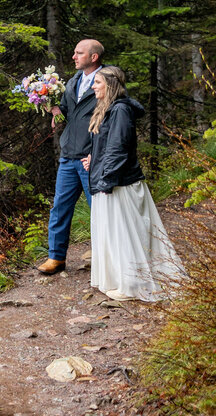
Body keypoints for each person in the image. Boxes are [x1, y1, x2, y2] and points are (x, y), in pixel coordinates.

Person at [82, 66, 182, 301]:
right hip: (109, 179)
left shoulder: (120, 110)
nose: (93, 86)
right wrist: (93, 159)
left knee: (126, 233)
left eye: (97, 82)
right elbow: (107, 146)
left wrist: (106, 179)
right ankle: (119, 279)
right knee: (114, 233)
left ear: (111, 84)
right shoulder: (108, 109)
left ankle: (133, 285)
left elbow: (119, 149)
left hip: (120, 183)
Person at [38, 39, 104, 275]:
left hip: (90, 157)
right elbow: (67, 113)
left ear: (93, 57)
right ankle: (56, 257)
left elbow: (110, 118)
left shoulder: (105, 81)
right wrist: (54, 109)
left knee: (98, 209)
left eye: (79, 53)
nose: (74, 57)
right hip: (69, 155)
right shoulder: (74, 81)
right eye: (74, 52)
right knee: (59, 207)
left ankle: (105, 256)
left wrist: (96, 152)